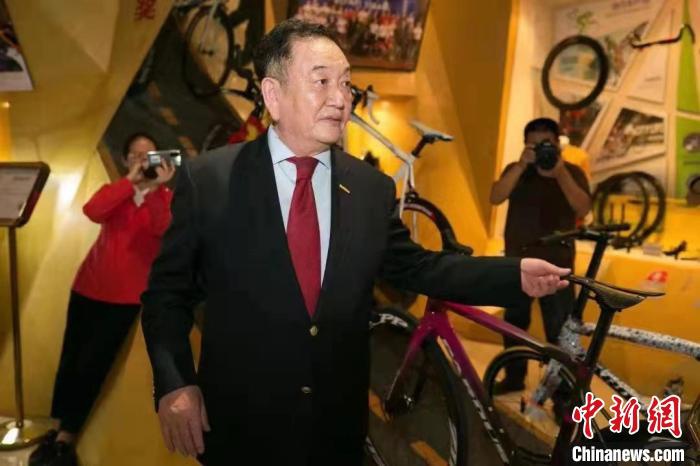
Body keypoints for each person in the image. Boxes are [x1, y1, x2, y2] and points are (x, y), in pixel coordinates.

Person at [141, 20, 570, 466]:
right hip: (242, 432)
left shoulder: (369, 188)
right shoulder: (210, 181)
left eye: (345, 83)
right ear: (273, 95)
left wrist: (514, 273)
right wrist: (174, 383)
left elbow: (418, 267)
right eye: (322, 81)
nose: (341, 98)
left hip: (336, 435)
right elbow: (166, 295)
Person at [29, 133, 175, 466]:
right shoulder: (117, 191)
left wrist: (155, 190)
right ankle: (56, 426)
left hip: (124, 298)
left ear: (161, 160)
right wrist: (129, 183)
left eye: (149, 156)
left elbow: (164, 229)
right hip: (87, 286)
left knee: (93, 366)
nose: (143, 162)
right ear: (126, 161)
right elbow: (93, 210)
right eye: (136, 156)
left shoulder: (166, 198)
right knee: (71, 360)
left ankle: (67, 437)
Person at [490, 117, 591, 393]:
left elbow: (583, 208)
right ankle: (513, 378)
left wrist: (560, 172)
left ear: (558, 144)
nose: (541, 150)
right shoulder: (517, 170)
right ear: (525, 146)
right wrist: (521, 165)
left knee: (560, 333)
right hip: (518, 263)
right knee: (514, 326)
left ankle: (562, 395)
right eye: (533, 145)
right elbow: (495, 197)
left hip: (557, 267)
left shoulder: (571, 172)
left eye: (546, 144)